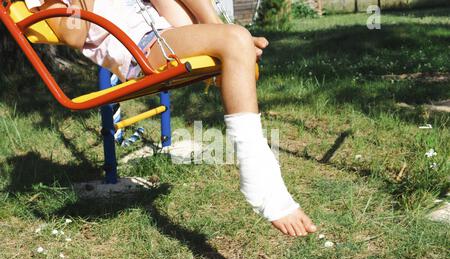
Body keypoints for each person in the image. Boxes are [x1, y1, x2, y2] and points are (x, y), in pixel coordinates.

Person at [23, 0, 317, 237]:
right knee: (236, 39)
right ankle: (261, 179)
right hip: (144, 50)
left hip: (165, 31)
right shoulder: (46, 5)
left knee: (234, 39)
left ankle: (223, 37)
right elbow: (73, 34)